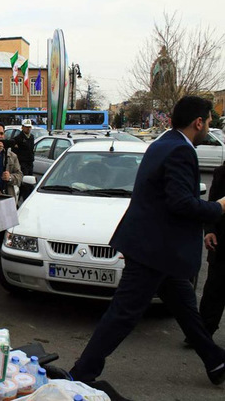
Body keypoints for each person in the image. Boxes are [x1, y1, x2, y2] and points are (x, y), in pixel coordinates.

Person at [69, 96, 225, 386]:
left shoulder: (164, 143)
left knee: (185, 308)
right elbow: (181, 203)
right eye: (210, 122)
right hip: (154, 250)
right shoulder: (181, 151)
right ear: (198, 122)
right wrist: (219, 207)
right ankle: (80, 374)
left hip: (157, 249)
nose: (210, 128)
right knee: (123, 315)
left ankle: (215, 361)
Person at [0, 121, 23, 272]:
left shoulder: (11, 155)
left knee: (4, 240)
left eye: (2, 133)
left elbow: (20, 175)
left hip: (6, 202)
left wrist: (11, 177)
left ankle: (2, 272)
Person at [199, 162, 225, 339]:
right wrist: (209, 231)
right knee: (214, 289)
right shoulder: (223, 171)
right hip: (222, 242)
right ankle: (203, 333)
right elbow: (213, 202)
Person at [11, 119, 35, 200]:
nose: (28, 129)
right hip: (22, 163)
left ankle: (28, 197)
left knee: (30, 182)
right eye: (26, 127)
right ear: (22, 127)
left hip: (30, 163)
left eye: (29, 127)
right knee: (24, 183)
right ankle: (23, 198)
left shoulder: (32, 137)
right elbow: (14, 152)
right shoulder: (17, 138)